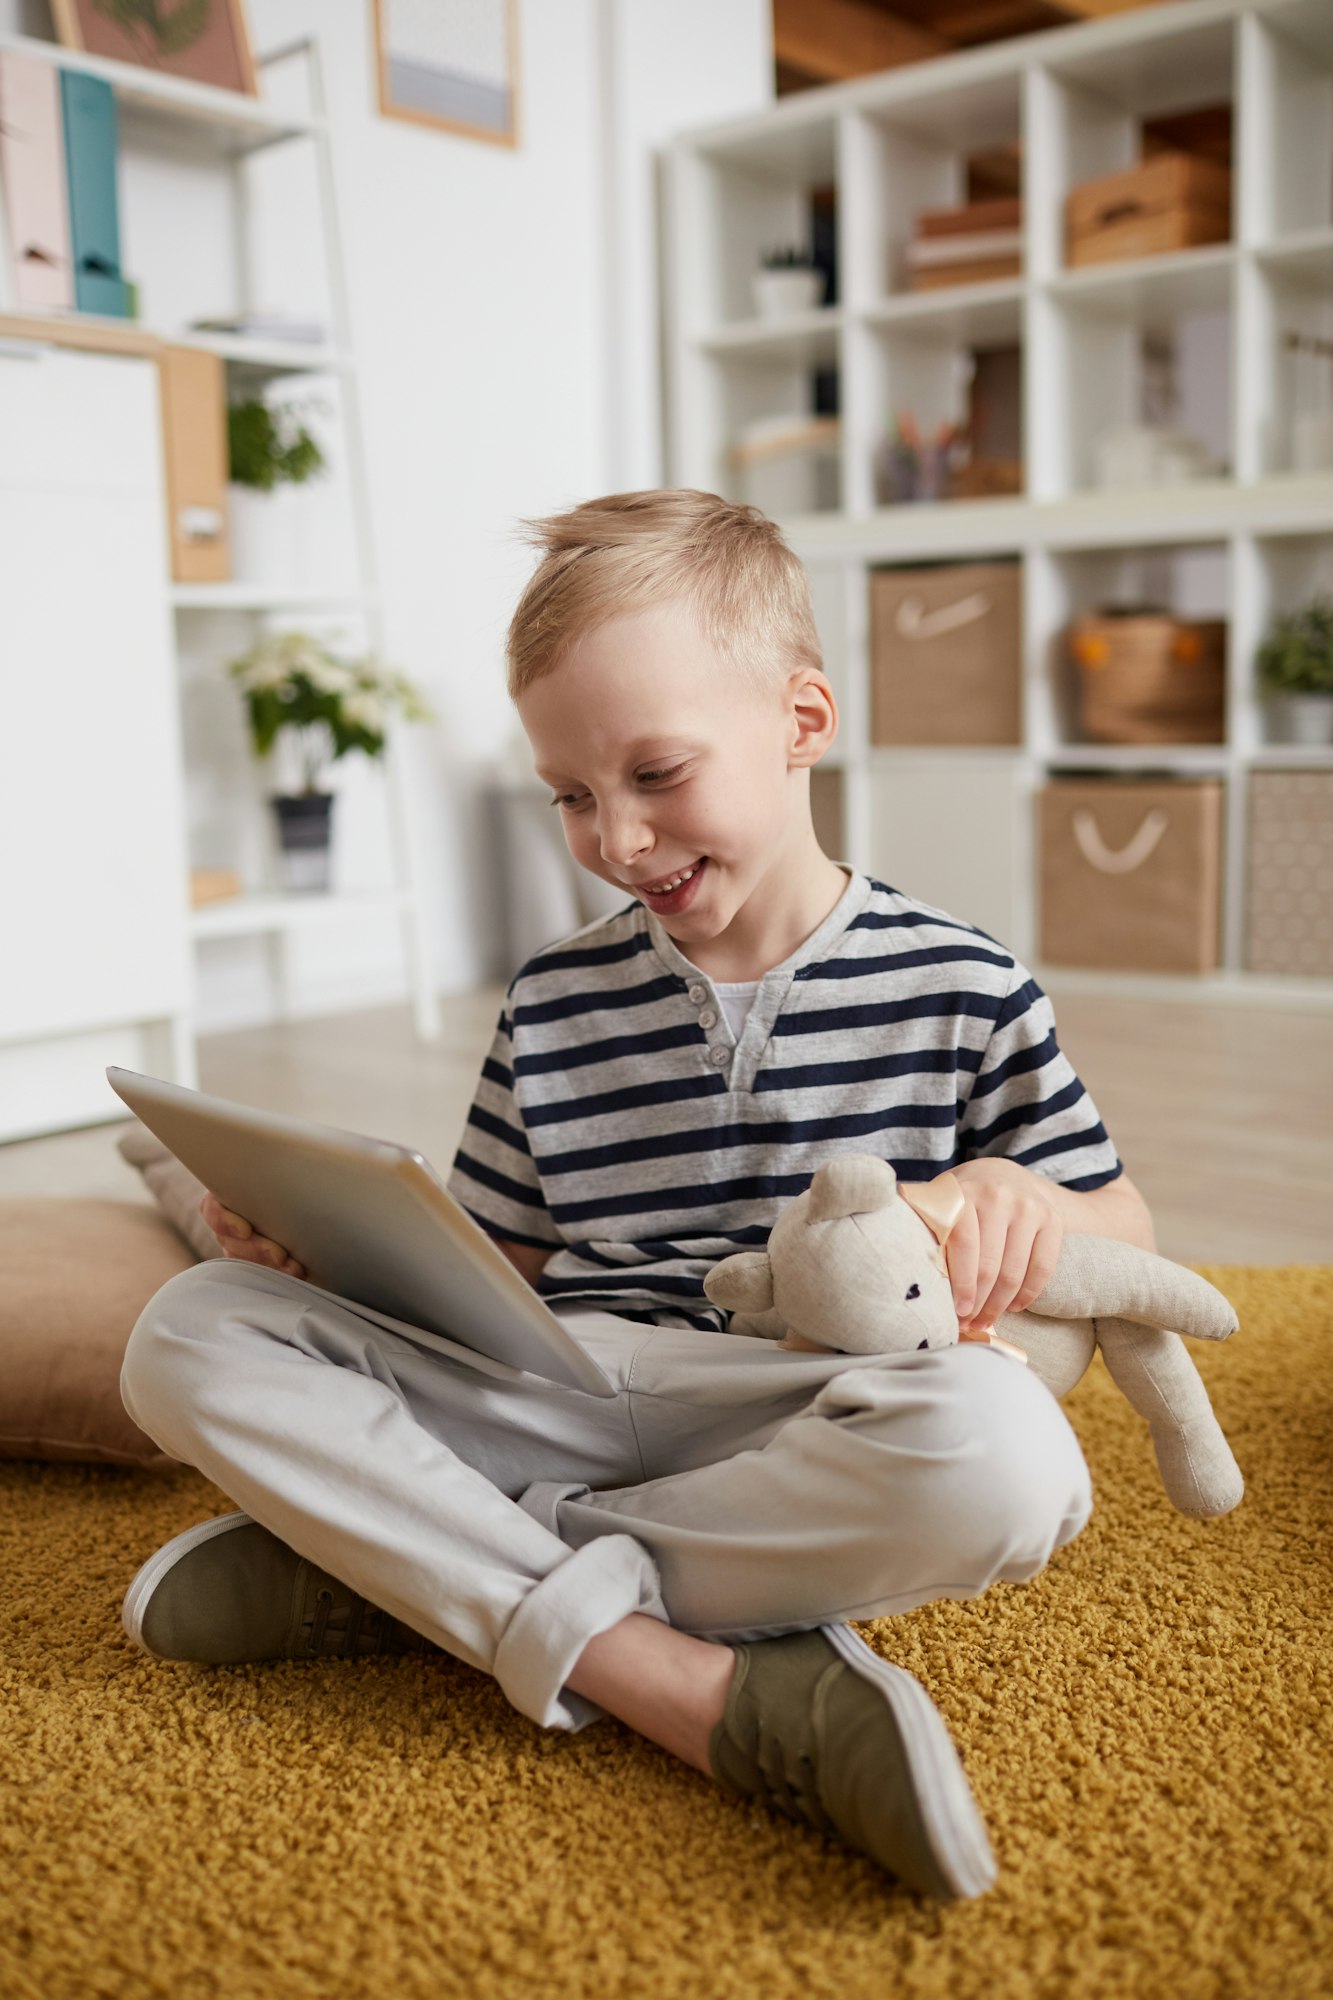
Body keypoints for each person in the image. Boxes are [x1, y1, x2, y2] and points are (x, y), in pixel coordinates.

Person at [119, 490, 1156, 1901]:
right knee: (188, 1328)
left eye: (656, 774)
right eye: (569, 794)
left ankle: (414, 1575)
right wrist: (315, 1260)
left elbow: (1125, 1228)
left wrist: (1012, 1198)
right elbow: (499, 1265)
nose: (613, 837)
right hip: (564, 1377)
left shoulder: (962, 983)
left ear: (802, 720)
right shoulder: (551, 999)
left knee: (1013, 1460)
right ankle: (646, 1654)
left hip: (797, 1400)